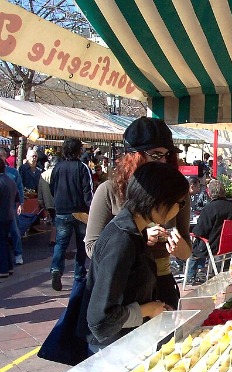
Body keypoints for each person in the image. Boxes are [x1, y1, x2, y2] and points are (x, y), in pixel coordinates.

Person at [79, 162, 188, 352]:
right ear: (160, 201)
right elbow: (101, 320)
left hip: (126, 342)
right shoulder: (122, 240)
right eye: (180, 203)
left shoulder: (133, 232)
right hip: (114, 350)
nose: (179, 209)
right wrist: (149, 309)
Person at [85, 117, 192, 310]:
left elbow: (186, 253)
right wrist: (139, 239)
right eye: (157, 155)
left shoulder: (176, 193)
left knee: (168, 339)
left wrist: (178, 246)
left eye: (168, 155)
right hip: (124, 289)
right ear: (133, 157)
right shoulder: (109, 190)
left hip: (163, 282)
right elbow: (93, 248)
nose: (164, 161)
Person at [50, 138, 94, 291]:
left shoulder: (58, 167)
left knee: (60, 244)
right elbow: (88, 192)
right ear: (78, 151)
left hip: (62, 211)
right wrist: (92, 210)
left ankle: (56, 269)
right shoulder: (82, 168)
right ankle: (79, 276)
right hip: (80, 212)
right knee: (81, 244)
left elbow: (52, 187)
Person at [188, 180, 232, 285]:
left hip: (212, 246)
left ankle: (190, 277)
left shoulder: (209, 209)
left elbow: (200, 231)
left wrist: (192, 231)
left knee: (193, 248)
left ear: (209, 193)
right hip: (230, 245)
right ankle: (205, 272)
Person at [0, 148, 24, 265]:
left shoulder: (13, 172)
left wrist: (20, 203)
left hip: (10, 206)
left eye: (1, 155)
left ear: (5, 156)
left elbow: (19, 189)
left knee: (14, 231)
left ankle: (18, 253)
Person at [0, 160, 19, 278]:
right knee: (5, 242)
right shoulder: (11, 181)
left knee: (1, 243)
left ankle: (3, 269)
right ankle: (9, 266)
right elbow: (17, 197)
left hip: (1, 216)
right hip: (9, 215)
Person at [38, 156, 58, 246]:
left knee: (54, 219)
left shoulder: (43, 174)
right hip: (57, 202)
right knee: (56, 221)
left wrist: (41, 201)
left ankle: (53, 238)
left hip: (48, 202)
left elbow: (40, 189)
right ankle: (53, 239)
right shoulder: (58, 174)